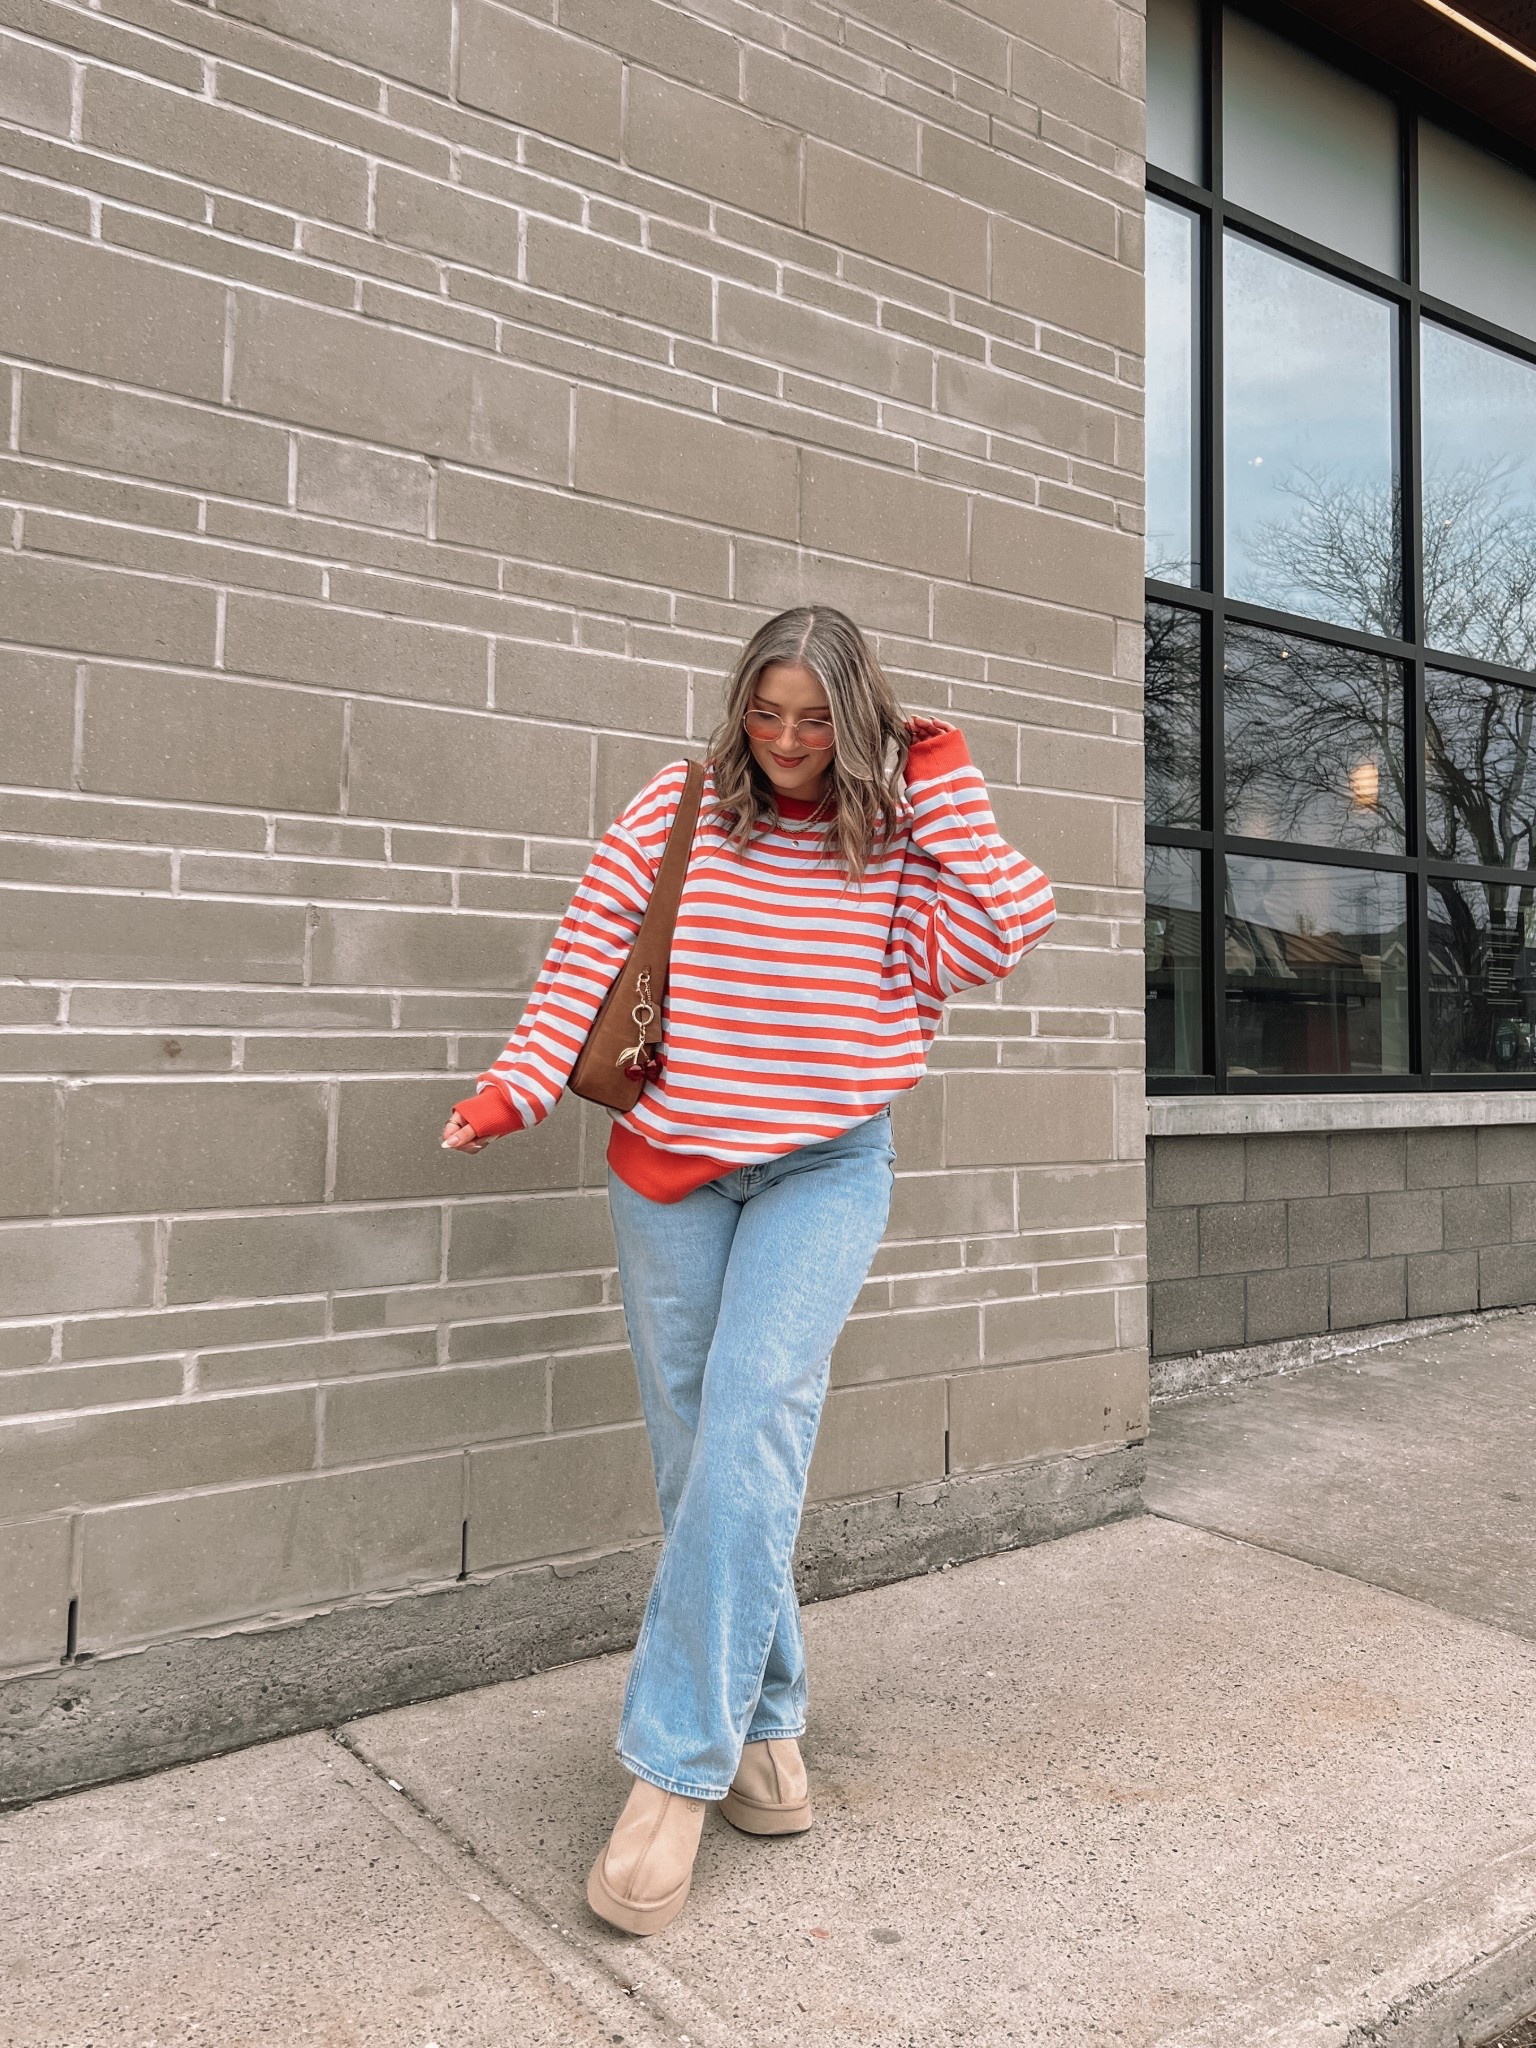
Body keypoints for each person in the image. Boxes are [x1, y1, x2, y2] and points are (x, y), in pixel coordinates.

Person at [440, 605, 1054, 1936]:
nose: (784, 740)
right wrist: (517, 1087)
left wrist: (936, 783)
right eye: (765, 712)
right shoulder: (678, 807)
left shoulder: (897, 843)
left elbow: (1003, 934)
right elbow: (587, 954)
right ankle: (770, 1724)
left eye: (815, 716)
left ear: (861, 714)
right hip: (669, 1175)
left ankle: (669, 1777)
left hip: (826, 1172)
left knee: (750, 1432)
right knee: (698, 1457)